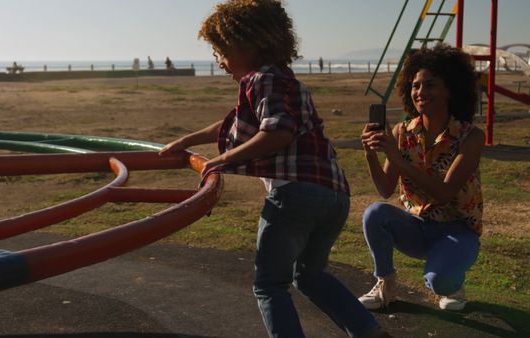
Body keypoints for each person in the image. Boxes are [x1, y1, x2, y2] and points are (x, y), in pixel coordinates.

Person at [160, 1, 387, 337]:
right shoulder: (286, 81)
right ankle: (369, 331)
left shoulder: (259, 79)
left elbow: (279, 131)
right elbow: (230, 124)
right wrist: (184, 140)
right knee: (309, 276)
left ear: (250, 45)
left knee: (269, 284)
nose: (219, 62)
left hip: (295, 195)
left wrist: (223, 159)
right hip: (335, 196)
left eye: (221, 50)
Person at [358, 43, 483, 312]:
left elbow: (444, 193)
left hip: (457, 232)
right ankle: (386, 283)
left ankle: (453, 283)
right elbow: (384, 189)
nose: (420, 92)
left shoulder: (470, 137)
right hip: (417, 227)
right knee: (375, 213)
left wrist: (397, 158)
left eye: (430, 85)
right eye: (415, 86)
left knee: (439, 282)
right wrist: (370, 154)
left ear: (450, 89)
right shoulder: (403, 132)